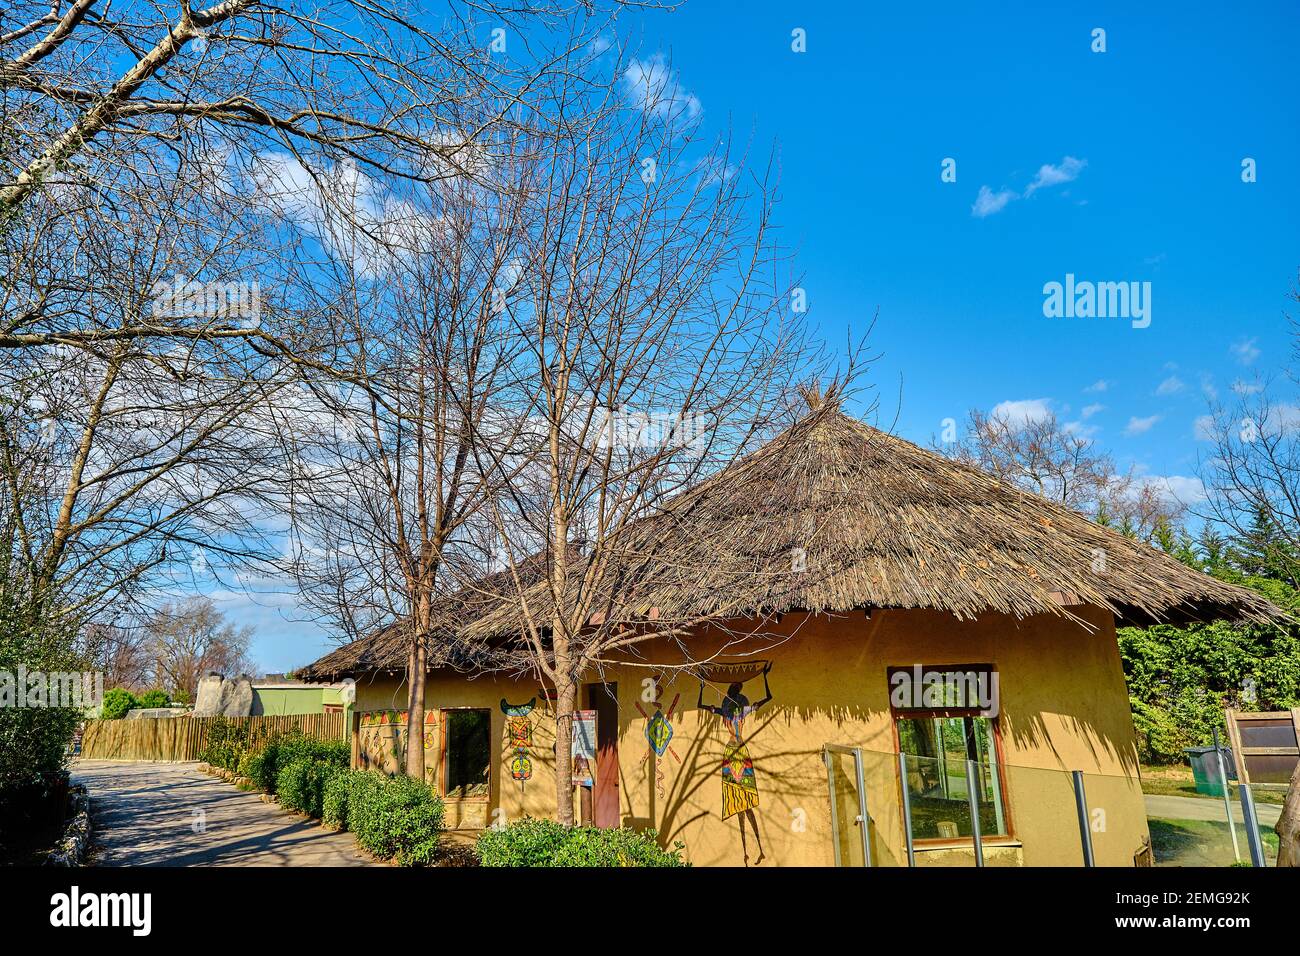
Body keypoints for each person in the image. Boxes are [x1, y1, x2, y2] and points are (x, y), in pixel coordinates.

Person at [698, 663, 772, 865]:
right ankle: (747, 852)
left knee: (746, 805)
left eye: (734, 689)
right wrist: (702, 685)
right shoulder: (727, 710)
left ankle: (758, 849)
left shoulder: (738, 709)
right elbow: (701, 705)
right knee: (737, 805)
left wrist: (764, 677)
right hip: (732, 754)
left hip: (737, 753)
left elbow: (768, 699)